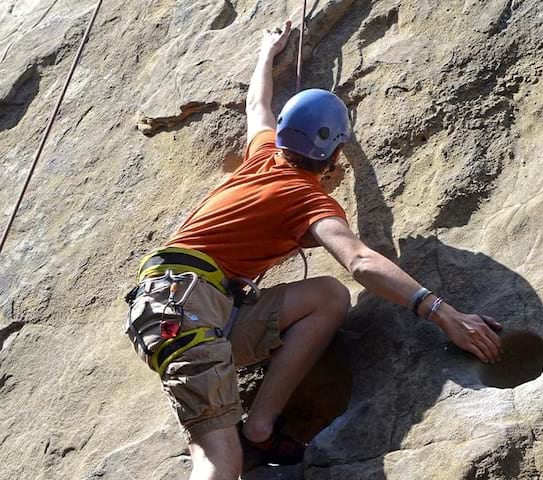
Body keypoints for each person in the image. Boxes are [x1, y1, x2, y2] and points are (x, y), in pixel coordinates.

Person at [124, 19, 503, 480]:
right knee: (219, 460)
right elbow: (359, 259)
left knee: (329, 296)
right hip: (185, 310)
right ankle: (240, 440)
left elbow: (257, 104)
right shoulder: (309, 199)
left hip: (189, 306)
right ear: (335, 155)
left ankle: (260, 426)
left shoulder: (264, 153)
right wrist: (444, 313)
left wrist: (268, 52)